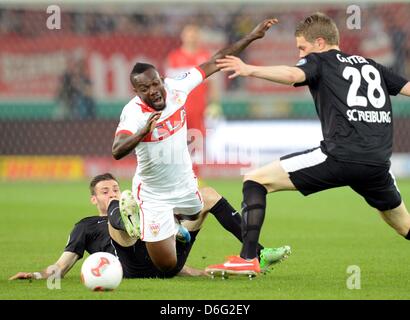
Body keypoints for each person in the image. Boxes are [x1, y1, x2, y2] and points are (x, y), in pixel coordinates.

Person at [206, 12, 410, 276]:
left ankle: (247, 259)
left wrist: (250, 69)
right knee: (403, 224)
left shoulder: (319, 60)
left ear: (321, 43)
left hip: (340, 157)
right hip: (378, 164)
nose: (300, 53)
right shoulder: (372, 66)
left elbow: (293, 74)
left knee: (255, 180)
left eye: (302, 47)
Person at [112, 18, 278, 273]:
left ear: (161, 78)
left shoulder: (177, 86)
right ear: (136, 92)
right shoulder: (133, 114)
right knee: (167, 267)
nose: (154, 91)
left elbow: (216, 60)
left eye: (156, 83)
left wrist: (253, 37)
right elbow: (117, 149)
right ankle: (138, 222)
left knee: (211, 196)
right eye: (146, 89)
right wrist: (142, 132)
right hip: (153, 195)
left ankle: (258, 253)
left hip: (183, 185)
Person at [9, 173, 289, 280]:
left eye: (115, 189)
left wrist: (200, 273)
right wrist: (36, 275)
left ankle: (257, 253)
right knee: (116, 219)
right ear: (93, 198)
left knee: (209, 195)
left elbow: (174, 268)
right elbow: (63, 264)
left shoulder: (138, 207)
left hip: (163, 254)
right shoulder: (86, 226)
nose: (112, 193)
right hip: (132, 265)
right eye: (105, 191)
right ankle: (133, 225)